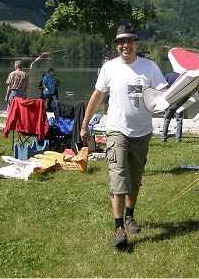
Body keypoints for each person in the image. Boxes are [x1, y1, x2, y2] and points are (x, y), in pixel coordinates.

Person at [80, 25, 166, 249]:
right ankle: (119, 227)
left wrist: (170, 99)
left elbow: (164, 94)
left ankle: (130, 215)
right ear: (117, 45)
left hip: (142, 132)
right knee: (118, 177)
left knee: (134, 180)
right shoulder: (109, 68)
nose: (125, 45)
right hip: (116, 129)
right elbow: (98, 95)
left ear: (136, 43)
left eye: (129, 41)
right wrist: (85, 124)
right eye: (121, 42)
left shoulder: (149, 67)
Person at [160, 72, 184, 143]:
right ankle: (178, 139)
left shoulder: (168, 76)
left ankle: (164, 138)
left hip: (169, 100)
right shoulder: (181, 77)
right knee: (179, 120)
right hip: (179, 100)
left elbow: (163, 87)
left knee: (166, 120)